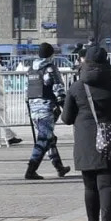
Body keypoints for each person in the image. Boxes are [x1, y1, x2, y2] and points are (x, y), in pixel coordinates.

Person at [60, 47, 111, 221]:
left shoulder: (77, 87)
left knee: (90, 187)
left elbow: (66, 118)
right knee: (108, 185)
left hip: (85, 142)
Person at [24, 42, 71, 180]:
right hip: (46, 108)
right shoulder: (50, 68)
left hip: (33, 109)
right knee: (44, 139)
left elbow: (27, 90)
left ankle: (59, 167)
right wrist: (65, 107)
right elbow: (58, 89)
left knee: (49, 138)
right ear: (51, 54)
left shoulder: (31, 69)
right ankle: (31, 170)